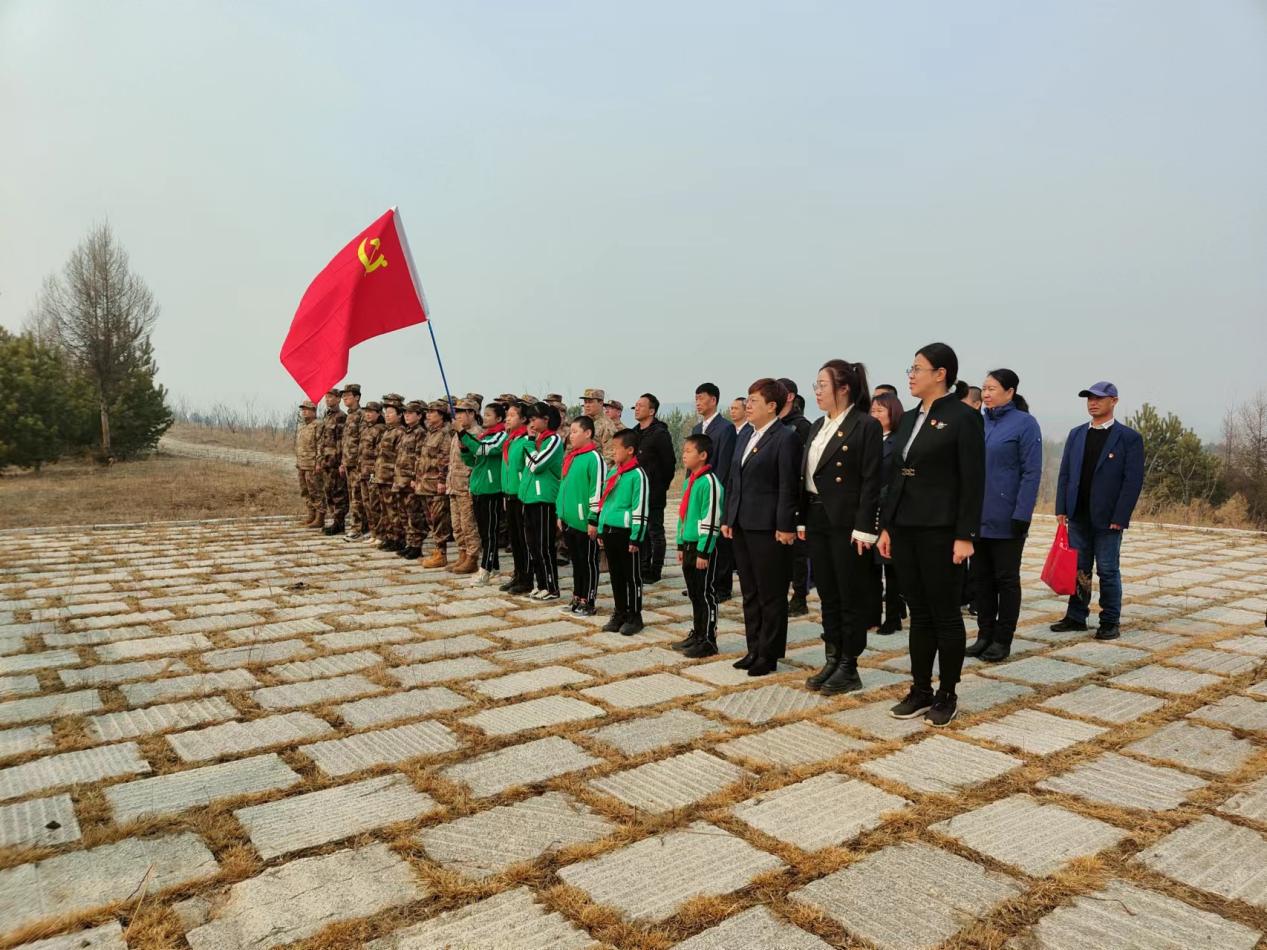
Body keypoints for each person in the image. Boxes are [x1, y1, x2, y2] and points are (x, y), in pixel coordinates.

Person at [878, 344, 985, 726]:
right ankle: (920, 689)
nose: (911, 375)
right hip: (906, 527)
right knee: (919, 613)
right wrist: (887, 526)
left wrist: (965, 534)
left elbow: (972, 480)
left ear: (941, 374)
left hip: (942, 530)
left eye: (917, 368)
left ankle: (947, 693)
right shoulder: (908, 418)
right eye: (910, 368)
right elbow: (896, 476)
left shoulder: (963, 417)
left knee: (945, 614)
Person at [799, 360, 883, 695]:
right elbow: (805, 476)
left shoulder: (865, 425)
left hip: (847, 523)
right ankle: (832, 658)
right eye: (816, 385)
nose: (817, 391)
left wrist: (865, 527)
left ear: (844, 388)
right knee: (828, 594)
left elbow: (871, 480)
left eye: (823, 385)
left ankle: (850, 665)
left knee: (850, 595)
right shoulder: (817, 425)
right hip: (817, 516)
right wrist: (800, 517)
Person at [1051, 381, 1144, 640]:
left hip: (1108, 518)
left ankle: (1110, 621)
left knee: (1107, 570)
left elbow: (1132, 481)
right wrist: (1061, 507)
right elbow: (1066, 473)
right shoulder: (1077, 434)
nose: (1093, 403)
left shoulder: (1128, 438)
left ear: (1114, 401)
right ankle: (1076, 616)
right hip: (1078, 514)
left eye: (1099, 398)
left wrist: (1120, 516)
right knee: (1079, 568)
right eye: (1089, 399)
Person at [722, 378, 801, 676]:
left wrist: (785, 525)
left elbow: (787, 485)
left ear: (772, 406)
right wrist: (728, 518)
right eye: (748, 399)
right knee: (750, 591)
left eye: (754, 401)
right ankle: (753, 648)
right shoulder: (746, 435)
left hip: (768, 527)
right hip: (742, 524)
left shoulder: (785, 438)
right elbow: (734, 480)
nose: (748, 405)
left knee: (771, 593)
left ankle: (769, 654)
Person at [966, 370, 1042, 662]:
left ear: (1010, 392)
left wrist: (1022, 512)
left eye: (992, 388)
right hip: (977, 517)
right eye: (984, 388)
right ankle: (984, 635)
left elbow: (1031, 472)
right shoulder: (978, 422)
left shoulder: (1025, 424)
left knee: (1006, 579)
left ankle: (1002, 639)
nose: (986, 394)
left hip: (1008, 517)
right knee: (981, 580)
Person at [673, 434, 725, 658]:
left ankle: (709, 639)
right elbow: (683, 515)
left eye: (689, 451)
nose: (684, 455)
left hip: (703, 547)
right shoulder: (690, 481)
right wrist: (680, 543)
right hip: (688, 544)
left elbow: (711, 518)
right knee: (694, 592)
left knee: (705, 593)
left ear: (703, 455)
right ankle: (697, 633)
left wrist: (704, 550)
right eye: (683, 451)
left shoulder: (710, 482)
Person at [594, 429, 649, 635]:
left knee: (631, 577)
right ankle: (620, 612)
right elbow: (605, 503)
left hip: (627, 533)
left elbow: (640, 508)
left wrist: (636, 537)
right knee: (616, 575)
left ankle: (635, 616)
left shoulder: (638, 475)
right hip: (610, 531)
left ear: (630, 450)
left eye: (616, 448)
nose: (612, 451)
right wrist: (601, 529)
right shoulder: (614, 472)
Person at [689, 383, 737, 602]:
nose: (698, 402)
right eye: (696, 398)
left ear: (714, 400)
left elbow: (724, 463)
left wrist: (715, 489)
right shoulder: (697, 429)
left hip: (715, 489)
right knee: (701, 535)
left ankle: (722, 586)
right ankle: (703, 582)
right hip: (697, 489)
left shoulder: (725, 428)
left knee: (719, 539)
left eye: (701, 398)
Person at [557, 415, 605, 615]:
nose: (571, 436)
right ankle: (577, 596)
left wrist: (593, 519)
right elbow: (563, 487)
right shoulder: (572, 457)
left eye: (575, 432)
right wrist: (560, 513)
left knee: (588, 562)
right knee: (576, 561)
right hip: (570, 520)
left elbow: (597, 491)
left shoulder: (594, 458)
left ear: (588, 433)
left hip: (585, 521)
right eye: (570, 432)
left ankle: (589, 600)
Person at [868, 391, 906, 634]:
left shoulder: (899, 441)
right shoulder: (867, 439)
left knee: (891, 567)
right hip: (867, 510)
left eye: (880, 410)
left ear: (893, 413)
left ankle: (893, 617)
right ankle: (871, 615)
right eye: (872, 410)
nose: (875, 414)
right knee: (869, 568)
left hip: (890, 510)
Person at [458, 400, 507, 584]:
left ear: (499, 418)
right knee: (483, 531)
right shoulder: (485, 436)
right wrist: (464, 449)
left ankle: (485, 569)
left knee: (490, 532)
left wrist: (462, 433)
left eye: (488, 415)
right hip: (479, 487)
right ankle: (494, 568)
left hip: (491, 489)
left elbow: (483, 450)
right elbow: (472, 461)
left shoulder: (501, 436)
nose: (484, 418)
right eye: (484, 414)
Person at [520, 402, 564, 600]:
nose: (531, 423)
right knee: (532, 544)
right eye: (529, 420)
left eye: (534, 419)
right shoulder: (538, 440)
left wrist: (529, 443)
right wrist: (531, 446)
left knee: (544, 545)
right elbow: (528, 464)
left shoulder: (553, 439)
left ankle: (551, 587)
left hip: (544, 498)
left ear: (546, 420)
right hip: (530, 497)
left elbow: (536, 465)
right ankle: (541, 584)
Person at [633, 393, 675, 583]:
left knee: (655, 531)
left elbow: (669, 464)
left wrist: (661, 485)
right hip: (637, 492)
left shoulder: (660, 433)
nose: (637, 408)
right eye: (636, 405)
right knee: (640, 530)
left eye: (641, 405)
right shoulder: (634, 433)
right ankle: (642, 568)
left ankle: (655, 570)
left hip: (655, 490)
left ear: (652, 411)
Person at [414, 399, 454, 569]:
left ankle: (441, 554)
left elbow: (445, 459)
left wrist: (442, 480)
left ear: (441, 415)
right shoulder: (430, 432)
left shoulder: (446, 433)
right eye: (427, 412)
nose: (428, 415)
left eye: (432, 412)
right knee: (431, 519)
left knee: (439, 519)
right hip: (425, 483)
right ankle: (437, 550)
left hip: (436, 483)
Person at [498, 401, 532, 593]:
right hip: (509, 494)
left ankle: (527, 578)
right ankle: (518, 574)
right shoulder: (511, 440)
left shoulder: (526, 441)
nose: (507, 419)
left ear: (524, 419)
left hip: (521, 496)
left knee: (523, 539)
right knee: (515, 539)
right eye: (507, 415)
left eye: (512, 415)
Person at [447, 398, 482, 574]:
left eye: (461, 412)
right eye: (457, 412)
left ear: (471, 413)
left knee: (469, 525)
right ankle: (462, 554)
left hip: (467, 486)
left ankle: (472, 557)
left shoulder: (477, 433)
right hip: (454, 484)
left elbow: (476, 459)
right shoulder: (457, 433)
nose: (458, 416)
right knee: (457, 525)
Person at [394, 401, 426, 560]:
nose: (406, 416)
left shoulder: (420, 432)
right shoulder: (406, 432)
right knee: (403, 513)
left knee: (414, 514)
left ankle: (416, 545)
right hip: (400, 478)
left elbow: (420, 457)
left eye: (410, 413)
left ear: (419, 416)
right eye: (405, 413)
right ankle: (409, 543)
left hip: (410, 479)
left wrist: (415, 477)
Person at [373, 395, 405, 551]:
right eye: (386, 412)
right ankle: (389, 536)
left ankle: (398, 538)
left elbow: (400, 458)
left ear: (400, 415)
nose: (387, 415)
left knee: (394, 511)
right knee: (385, 510)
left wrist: (396, 478)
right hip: (382, 476)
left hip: (391, 477)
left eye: (391, 412)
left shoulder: (400, 432)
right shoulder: (387, 431)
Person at [316, 387, 347, 535]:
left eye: (331, 397)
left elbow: (342, 441)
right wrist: (320, 459)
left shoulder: (341, 417)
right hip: (326, 461)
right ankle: (334, 520)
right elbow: (322, 440)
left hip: (335, 462)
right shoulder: (326, 416)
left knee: (338, 494)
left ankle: (339, 523)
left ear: (338, 399)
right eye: (326, 397)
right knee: (328, 492)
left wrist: (341, 462)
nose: (327, 399)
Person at [339, 384, 366, 539]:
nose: (345, 398)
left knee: (357, 498)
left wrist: (360, 463)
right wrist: (343, 462)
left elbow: (363, 441)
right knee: (352, 497)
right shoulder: (350, 416)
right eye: (343, 396)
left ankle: (357, 528)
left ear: (357, 397)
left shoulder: (362, 415)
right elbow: (346, 442)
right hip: (348, 463)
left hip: (357, 464)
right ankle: (357, 526)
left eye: (348, 395)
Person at [356, 401, 385, 544]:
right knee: (367, 503)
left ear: (378, 414)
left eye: (371, 412)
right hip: (363, 472)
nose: (367, 414)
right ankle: (373, 532)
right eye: (366, 411)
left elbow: (380, 453)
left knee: (376, 504)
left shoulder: (380, 429)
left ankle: (380, 534)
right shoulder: (365, 429)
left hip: (374, 472)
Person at [295, 399, 320, 527]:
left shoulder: (318, 425)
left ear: (314, 411)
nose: (304, 412)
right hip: (302, 464)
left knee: (315, 491)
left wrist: (318, 463)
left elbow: (320, 445)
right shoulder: (302, 427)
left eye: (307, 409)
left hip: (312, 464)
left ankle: (319, 517)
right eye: (303, 409)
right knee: (305, 491)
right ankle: (311, 514)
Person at [580, 388, 617, 463]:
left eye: (590, 402)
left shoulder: (607, 425)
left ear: (601, 403)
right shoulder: (582, 422)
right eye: (585, 402)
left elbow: (610, 456)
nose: (587, 405)